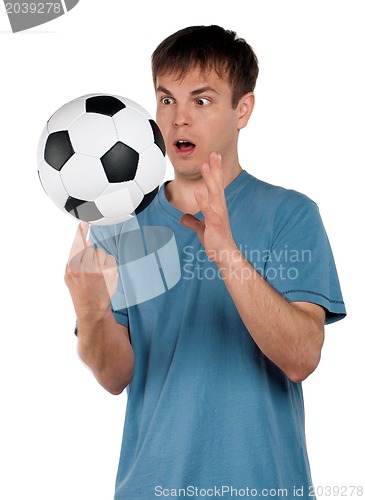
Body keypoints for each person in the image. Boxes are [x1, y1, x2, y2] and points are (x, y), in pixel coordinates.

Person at [65, 25, 346, 500]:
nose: (178, 121)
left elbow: (302, 358)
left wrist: (224, 251)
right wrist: (91, 313)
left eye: (201, 100)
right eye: (166, 100)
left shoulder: (291, 214)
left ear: (243, 109)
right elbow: (114, 378)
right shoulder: (117, 223)